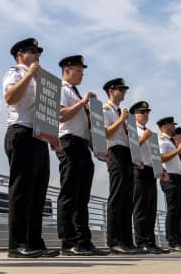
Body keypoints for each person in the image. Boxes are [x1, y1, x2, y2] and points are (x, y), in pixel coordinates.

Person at [3, 38, 59, 258]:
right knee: (22, 191)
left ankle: (35, 241)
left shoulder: (41, 79)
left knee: (38, 192)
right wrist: (28, 75)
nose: (36, 55)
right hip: (21, 132)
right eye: (32, 52)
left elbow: (45, 111)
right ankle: (17, 244)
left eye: (38, 52)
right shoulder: (14, 73)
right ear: (20, 54)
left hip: (39, 137)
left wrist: (53, 135)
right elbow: (10, 97)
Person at [56, 55, 103, 255]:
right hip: (68, 142)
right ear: (67, 70)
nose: (82, 75)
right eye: (79, 71)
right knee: (69, 193)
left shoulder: (75, 93)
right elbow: (60, 115)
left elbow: (84, 127)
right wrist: (82, 103)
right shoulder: (61, 90)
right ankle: (68, 241)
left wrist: (97, 149)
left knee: (82, 197)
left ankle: (84, 240)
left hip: (83, 145)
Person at [102, 78, 138, 254]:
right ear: (111, 90)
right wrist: (121, 119)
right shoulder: (106, 110)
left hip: (127, 154)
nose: (123, 92)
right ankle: (114, 240)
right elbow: (105, 132)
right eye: (120, 89)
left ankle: (126, 240)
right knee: (117, 197)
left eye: (124, 89)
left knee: (127, 199)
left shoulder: (121, 113)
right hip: (115, 152)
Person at [131, 101, 169, 254]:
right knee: (140, 207)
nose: (145, 115)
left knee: (151, 209)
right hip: (139, 169)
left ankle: (150, 241)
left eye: (147, 112)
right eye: (142, 112)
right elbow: (132, 148)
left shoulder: (150, 133)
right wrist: (143, 138)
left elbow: (154, 155)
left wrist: (161, 170)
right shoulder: (132, 129)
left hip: (151, 171)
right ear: (135, 114)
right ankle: (141, 242)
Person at [157, 116, 181, 251]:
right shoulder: (162, 140)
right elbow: (161, 157)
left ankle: (179, 240)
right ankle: (172, 241)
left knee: (180, 210)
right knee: (173, 210)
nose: (174, 126)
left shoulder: (170, 141)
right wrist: (177, 150)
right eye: (171, 124)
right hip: (169, 177)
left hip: (178, 177)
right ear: (165, 126)